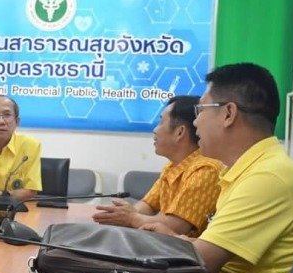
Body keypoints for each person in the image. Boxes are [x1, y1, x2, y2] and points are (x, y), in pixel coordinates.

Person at [141, 63, 293, 273]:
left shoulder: (269, 177)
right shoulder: (244, 171)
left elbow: (202, 262)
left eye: (200, 110)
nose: (195, 122)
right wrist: (172, 239)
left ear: (228, 114)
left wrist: (161, 242)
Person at [92, 96, 223, 237]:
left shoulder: (206, 169)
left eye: (161, 122)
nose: (155, 130)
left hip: (186, 255)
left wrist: (131, 218)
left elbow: (176, 227)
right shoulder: (173, 166)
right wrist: (125, 215)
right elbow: (148, 205)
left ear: (180, 132)